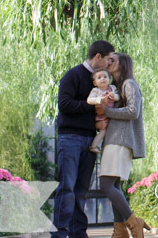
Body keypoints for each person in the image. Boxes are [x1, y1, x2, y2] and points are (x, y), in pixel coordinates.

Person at [51, 40, 115, 238]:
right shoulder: (73, 75)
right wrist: (93, 104)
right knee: (67, 188)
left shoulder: (100, 79)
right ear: (98, 57)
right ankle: (60, 234)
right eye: (107, 60)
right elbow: (65, 104)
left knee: (81, 190)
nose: (109, 64)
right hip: (70, 138)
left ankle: (78, 233)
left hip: (89, 139)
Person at [98, 52, 150, 238]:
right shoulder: (118, 87)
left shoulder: (129, 84)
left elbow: (133, 111)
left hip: (119, 140)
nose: (108, 62)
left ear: (123, 64)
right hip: (115, 140)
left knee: (105, 185)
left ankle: (133, 222)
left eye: (113, 60)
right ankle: (120, 231)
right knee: (115, 186)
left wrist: (107, 112)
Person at [87, 69, 119, 153]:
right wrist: (99, 100)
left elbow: (118, 97)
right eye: (99, 77)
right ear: (95, 83)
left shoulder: (112, 88)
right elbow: (89, 100)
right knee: (103, 131)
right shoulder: (96, 91)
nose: (103, 79)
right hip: (102, 116)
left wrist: (114, 96)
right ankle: (94, 146)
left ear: (109, 79)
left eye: (105, 77)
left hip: (111, 114)